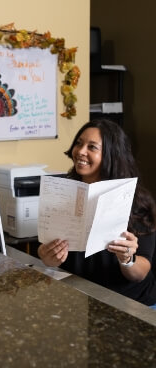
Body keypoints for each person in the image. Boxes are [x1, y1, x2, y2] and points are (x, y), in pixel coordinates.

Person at [38, 119, 156, 307]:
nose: (81, 151)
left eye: (92, 147)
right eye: (79, 143)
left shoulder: (135, 201)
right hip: (83, 300)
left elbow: (140, 272)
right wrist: (47, 256)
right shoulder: (63, 192)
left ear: (111, 155)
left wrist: (127, 259)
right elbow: (49, 255)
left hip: (131, 304)